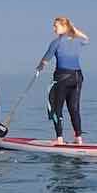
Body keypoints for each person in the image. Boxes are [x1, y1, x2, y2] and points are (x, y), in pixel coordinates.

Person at [39, 16, 89, 145]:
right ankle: (79, 138)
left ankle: (59, 139)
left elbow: (46, 59)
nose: (54, 28)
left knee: (56, 108)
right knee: (74, 108)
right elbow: (86, 39)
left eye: (56, 26)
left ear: (64, 27)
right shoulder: (78, 40)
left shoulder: (56, 42)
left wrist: (40, 66)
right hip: (78, 77)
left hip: (62, 78)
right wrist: (74, 29)